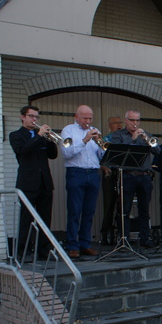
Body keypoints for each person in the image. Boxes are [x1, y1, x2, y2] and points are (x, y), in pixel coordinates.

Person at [9, 105, 57, 257]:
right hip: (27, 183)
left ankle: (43, 250)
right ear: (23, 117)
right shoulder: (16, 135)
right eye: (31, 116)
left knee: (45, 218)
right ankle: (22, 251)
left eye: (36, 117)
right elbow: (22, 150)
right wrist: (39, 136)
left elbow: (53, 155)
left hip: (45, 182)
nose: (34, 119)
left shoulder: (41, 136)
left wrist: (50, 139)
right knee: (26, 218)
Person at [109, 109, 159, 248]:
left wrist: (147, 141)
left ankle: (145, 238)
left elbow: (158, 151)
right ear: (126, 121)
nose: (135, 123)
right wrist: (133, 139)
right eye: (132, 120)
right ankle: (124, 239)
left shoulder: (146, 135)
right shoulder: (118, 135)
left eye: (137, 120)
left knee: (144, 210)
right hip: (127, 176)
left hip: (145, 177)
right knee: (125, 209)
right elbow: (119, 153)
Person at [60, 105, 104, 258]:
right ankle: (73, 245)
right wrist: (85, 140)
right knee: (74, 211)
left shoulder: (95, 130)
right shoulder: (68, 130)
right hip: (76, 173)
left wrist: (101, 146)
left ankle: (85, 244)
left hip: (92, 173)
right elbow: (67, 153)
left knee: (89, 211)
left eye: (90, 118)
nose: (88, 121)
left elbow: (100, 156)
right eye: (85, 118)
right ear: (76, 116)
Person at [99, 116, 123, 245]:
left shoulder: (124, 138)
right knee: (109, 205)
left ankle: (121, 233)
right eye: (116, 123)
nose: (119, 125)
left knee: (122, 205)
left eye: (120, 123)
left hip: (122, 173)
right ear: (110, 125)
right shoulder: (106, 139)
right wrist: (104, 167)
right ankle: (106, 234)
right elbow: (98, 157)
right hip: (110, 173)